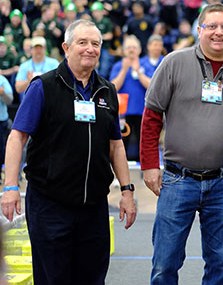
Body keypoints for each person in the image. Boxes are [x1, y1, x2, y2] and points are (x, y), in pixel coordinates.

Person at [0, 19, 136, 285]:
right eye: (82, 42)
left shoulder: (107, 91)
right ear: (66, 47)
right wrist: (10, 187)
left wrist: (127, 191)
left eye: (95, 44)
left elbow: (116, 145)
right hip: (50, 205)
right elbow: (17, 137)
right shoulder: (43, 86)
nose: (90, 49)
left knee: (92, 278)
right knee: (53, 278)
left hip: (94, 207)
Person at [140, 3, 223, 285]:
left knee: (220, 265)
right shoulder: (174, 62)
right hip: (178, 180)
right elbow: (151, 117)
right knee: (165, 264)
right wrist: (150, 165)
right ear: (199, 29)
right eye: (211, 26)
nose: (218, 32)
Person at [110, 35, 160, 161]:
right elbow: (113, 87)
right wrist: (124, 70)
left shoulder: (146, 64)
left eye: (134, 47)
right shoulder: (118, 66)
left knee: (143, 142)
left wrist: (138, 71)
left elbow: (152, 86)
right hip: (123, 112)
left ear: (139, 49)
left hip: (142, 111)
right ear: (124, 50)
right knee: (121, 143)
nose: (131, 50)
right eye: (128, 47)